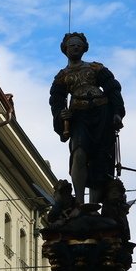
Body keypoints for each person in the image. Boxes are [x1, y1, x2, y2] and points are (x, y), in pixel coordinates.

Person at [49, 32, 125, 205]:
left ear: (84, 48)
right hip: (79, 117)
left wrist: (117, 112)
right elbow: (56, 100)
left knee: (100, 157)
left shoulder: (96, 68)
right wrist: (61, 115)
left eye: (78, 44)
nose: (75, 47)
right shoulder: (62, 77)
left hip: (102, 114)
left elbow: (112, 89)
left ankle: (93, 203)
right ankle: (80, 201)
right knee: (79, 153)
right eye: (71, 45)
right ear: (65, 49)